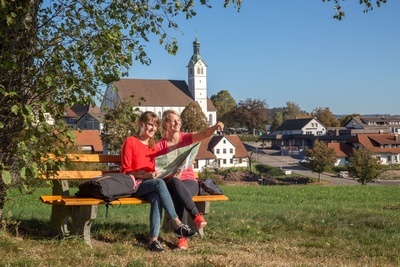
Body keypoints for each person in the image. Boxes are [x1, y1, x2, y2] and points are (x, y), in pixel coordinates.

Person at [121, 111, 197, 252]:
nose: (153, 128)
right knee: (159, 184)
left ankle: (153, 241)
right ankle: (178, 224)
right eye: (150, 124)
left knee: (157, 197)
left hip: (150, 184)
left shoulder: (153, 145)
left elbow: (161, 167)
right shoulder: (130, 141)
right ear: (140, 124)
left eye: (155, 125)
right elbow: (126, 170)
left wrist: (169, 172)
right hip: (135, 184)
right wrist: (146, 176)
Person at [157, 109, 224, 250]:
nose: (177, 123)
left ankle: (182, 238)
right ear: (166, 124)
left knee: (179, 192)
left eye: (178, 120)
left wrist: (215, 126)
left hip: (188, 181)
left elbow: (204, 134)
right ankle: (196, 217)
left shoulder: (186, 138)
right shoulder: (160, 145)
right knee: (175, 182)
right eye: (173, 120)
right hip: (169, 182)